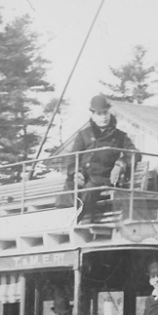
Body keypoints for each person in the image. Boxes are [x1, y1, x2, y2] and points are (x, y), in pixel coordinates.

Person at [62, 94, 139, 222]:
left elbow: (134, 154)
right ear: (92, 115)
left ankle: (76, 223)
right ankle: (62, 223)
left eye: (105, 113)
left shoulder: (119, 136)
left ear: (109, 113)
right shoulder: (84, 135)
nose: (103, 117)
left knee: (90, 189)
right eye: (99, 114)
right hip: (84, 175)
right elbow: (72, 158)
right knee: (69, 187)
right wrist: (76, 172)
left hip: (102, 178)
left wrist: (121, 164)